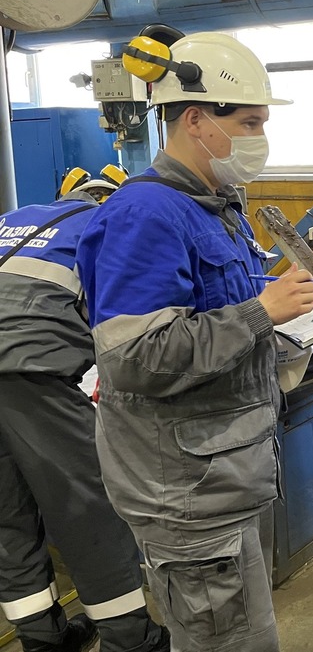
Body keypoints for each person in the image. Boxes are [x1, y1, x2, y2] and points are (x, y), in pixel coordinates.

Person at [75, 30, 313, 652]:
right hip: (183, 494)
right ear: (196, 119)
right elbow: (135, 358)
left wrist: (294, 321)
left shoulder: (213, 205)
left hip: (219, 479)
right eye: (248, 122)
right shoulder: (148, 214)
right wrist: (261, 313)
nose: (259, 138)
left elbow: (219, 325)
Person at [0, 167, 169, 652]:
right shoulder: (109, 224)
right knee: (85, 511)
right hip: (28, 375)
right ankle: (130, 639)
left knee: (8, 513)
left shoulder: (19, 216)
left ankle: (42, 639)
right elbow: (130, 331)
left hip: (20, 367)